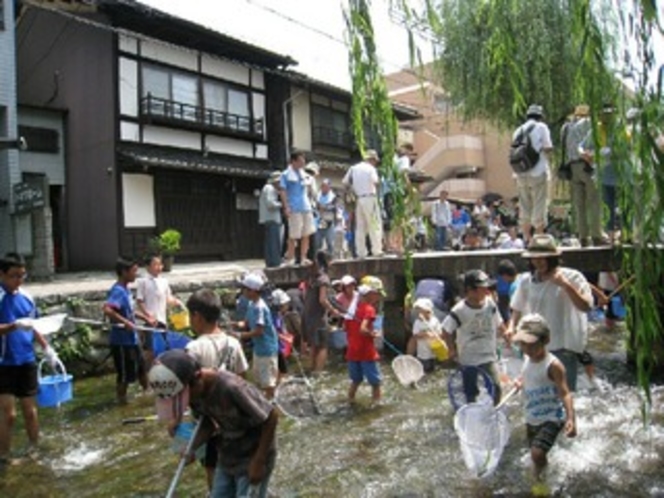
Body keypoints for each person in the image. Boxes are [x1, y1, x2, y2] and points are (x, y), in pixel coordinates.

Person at [148, 350, 278, 498]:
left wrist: (259, 460)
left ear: (198, 378)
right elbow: (208, 424)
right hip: (227, 455)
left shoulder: (232, 388)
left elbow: (270, 417)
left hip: (254, 454)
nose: (189, 402)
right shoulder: (193, 393)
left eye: (185, 397)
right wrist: (192, 447)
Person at [508, 234, 593, 391]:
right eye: (534, 258)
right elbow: (517, 307)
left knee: (564, 393)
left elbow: (586, 306)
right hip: (534, 345)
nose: (538, 262)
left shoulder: (572, 276)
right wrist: (511, 326)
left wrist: (566, 285)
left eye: (543, 258)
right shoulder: (527, 280)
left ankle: (569, 416)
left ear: (552, 258)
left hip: (563, 347)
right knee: (537, 393)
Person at [184, 288, 249, 492]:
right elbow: (242, 381)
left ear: (197, 316)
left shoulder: (193, 349)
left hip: (207, 422)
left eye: (190, 316)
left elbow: (188, 392)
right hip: (232, 421)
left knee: (212, 470)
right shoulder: (233, 343)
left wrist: (180, 434)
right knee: (234, 469)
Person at [0, 253, 59, 464]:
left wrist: (47, 349)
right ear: (2, 274)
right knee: (9, 415)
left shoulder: (26, 297)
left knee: (31, 411)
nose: (18, 280)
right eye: (14, 276)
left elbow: (35, 326)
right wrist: (13, 325)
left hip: (26, 359)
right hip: (3, 363)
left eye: (22, 275)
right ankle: (4, 456)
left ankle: (33, 449)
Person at [511, 313, 576, 491]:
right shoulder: (527, 359)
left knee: (537, 453)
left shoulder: (553, 365)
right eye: (523, 344)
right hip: (532, 415)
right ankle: (546, 472)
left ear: (546, 340)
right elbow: (527, 376)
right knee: (535, 455)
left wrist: (571, 419)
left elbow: (565, 393)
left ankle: (541, 485)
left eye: (532, 344)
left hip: (552, 417)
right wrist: (520, 382)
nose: (527, 349)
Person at [442, 270, 506, 405]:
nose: (487, 291)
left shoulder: (490, 304)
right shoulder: (459, 311)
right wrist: (451, 349)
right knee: (471, 393)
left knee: (496, 387)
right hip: (468, 357)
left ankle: (493, 413)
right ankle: (471, 416)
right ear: (470, 290)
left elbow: (499, 322)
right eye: (483, 288)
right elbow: (446, 330)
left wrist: (506, 335)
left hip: (488, 354)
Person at [102, 257, 149, 405]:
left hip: (132, 339)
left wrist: (146, 317)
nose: (136, 274)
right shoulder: (117, 291)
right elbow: (108, 310)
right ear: (124, 272)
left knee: (142, 369)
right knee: (124, 375)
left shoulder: (126, 290)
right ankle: (121, 402)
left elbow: (129, 311)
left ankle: (147, 395)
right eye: (134, 271)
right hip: (122, 342)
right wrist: (125, 322)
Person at [562, 104, 604, 247]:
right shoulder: (588, 124)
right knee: (594, 201)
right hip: (587, 165)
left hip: (572, 167)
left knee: (579, 204)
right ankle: (597, 235)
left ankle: (583, 236)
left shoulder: (566, 127)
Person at [233, 273, 279, 399]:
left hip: (267, 349)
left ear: (252, 291)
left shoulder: (260, 308)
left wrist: (240, 335)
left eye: (245, 289)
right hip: (258, 349)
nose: (242, 292)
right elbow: (246, 323)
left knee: (268, 382)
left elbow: (259, 331)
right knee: (258, 378)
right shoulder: (251, 304)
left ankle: (272, 404)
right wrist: (236, 324)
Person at [512, 104, 554, 243]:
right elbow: (548, 147)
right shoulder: (542, 127)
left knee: (524, 204)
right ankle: (538, 237)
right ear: (540, 116)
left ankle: (526, 238)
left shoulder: (518, 130)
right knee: (539, 202)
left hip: (520, 172)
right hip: (538, 170)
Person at [580, 103, 620, 244]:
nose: (606, 117)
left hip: (620, 174)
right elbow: (581, 146)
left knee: (621, 206)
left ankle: (624, 233)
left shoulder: (620, 130)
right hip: (603, 175)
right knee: (608, 206)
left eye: (609, 115)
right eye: (604, 115)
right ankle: (611, 236)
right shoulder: (596, 130)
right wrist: (585, 154)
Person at [344, 276, 385, 403]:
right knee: (376, 383)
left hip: (352, 351)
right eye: (378, 294)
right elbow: (363, 329)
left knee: (356, 381)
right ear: (370, 294)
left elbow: (346, 328)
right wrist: (373, 334)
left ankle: (350, 400)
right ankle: (377, 405)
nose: (379, 297)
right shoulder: (369, 309)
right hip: (366, 352)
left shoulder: (352, 309)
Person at [301, 251, 342, 373]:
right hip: (318, 317)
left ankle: (312, 368)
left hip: (307, 314)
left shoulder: (311, 276)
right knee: (323, 346)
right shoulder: (324, 278)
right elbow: (322, 299)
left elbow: (305, 295)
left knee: (314, 344)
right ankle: (318, 372)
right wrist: (333, 311)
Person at [136, 254, 180, 365]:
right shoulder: (143, 281)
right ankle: (147, 371)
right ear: (148, 267)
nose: (159, 267)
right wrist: (147, 315)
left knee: (164, 346)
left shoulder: (164, 281)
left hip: (162, 319)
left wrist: (175, 302)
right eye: (155, 264)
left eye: (160, 264)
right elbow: (139, 300)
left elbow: (168, 298)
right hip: (150, 321)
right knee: (150, 349)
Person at [342, 149, 383, 258]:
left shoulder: (353, 168)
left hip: (358, 199)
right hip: (370, 197)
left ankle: (361, 252)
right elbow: (376, 182)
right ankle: (376, 250)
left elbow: (345, 182)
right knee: (374, 225)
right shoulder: (371, 169)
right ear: (372, 159)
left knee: (360, 226)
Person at [280, 150, 315, 266]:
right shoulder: (285, 175)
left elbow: (309, 190)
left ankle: (303, 257)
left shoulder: (304, 174)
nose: (303, 162)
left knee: (306, 233)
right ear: (293, 161)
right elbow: (283, 191)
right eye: (300, 160)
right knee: (293, 234)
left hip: (306, 206)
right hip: (294, 207)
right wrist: (286, 207)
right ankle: (290, 258)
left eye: (303, 160)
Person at [258, 171, 284, 268]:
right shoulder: (270, 188)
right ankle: (275, 262)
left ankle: (271, 262)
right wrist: (282, 204)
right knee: (274, 242)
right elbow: (270, 204)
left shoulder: (268, 188)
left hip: (268, 218)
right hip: (272, 218)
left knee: (270, 242)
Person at [411, 298, 444, 373]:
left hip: (435, 353)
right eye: (418, 310)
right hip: (423, 355)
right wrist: (425, 334)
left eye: (421, 310)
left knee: (434, 371)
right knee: (424, 371)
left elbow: (440, 333)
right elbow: (415, 335)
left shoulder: (434, 321)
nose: (419, 312)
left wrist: (435, 335)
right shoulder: (418, 322)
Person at [316, 179, 337, 256]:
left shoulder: (333, 197)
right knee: (317, 242)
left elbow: (334, 208)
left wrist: (324, 207)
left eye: (326, 186)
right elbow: (316, 206)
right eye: (322, 186)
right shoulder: (318, 196)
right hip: (318, 220)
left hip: (328, 221)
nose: (324, 188)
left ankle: (331, 258)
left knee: (330, 242)